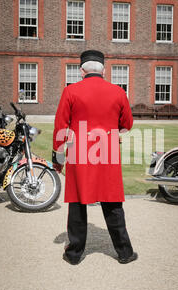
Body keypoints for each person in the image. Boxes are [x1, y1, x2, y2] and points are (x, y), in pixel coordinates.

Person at [52, 50, 138, 265]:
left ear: (81, 71)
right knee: (113, 204)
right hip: (107, 149)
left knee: (77, 204)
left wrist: (58, 158)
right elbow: (127, 123)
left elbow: (61, 127)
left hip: (79, 151)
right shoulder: (118, 91)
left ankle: (73, 254)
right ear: (104, 70)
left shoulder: (71, 91)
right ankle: (125, 252)